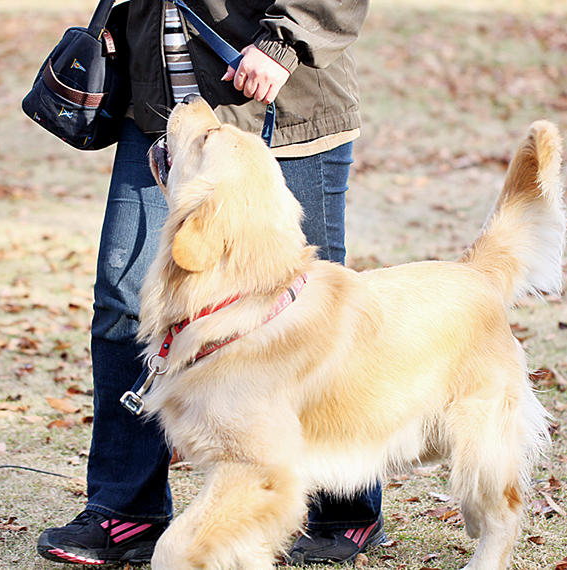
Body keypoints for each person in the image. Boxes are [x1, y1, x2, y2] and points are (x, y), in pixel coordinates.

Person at [36, 0, 384, 565]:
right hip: (160, 109)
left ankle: (346, 507)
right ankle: (127, 509)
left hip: (283, 97)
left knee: (309, 300)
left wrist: (284, 43)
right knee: (123, 303)